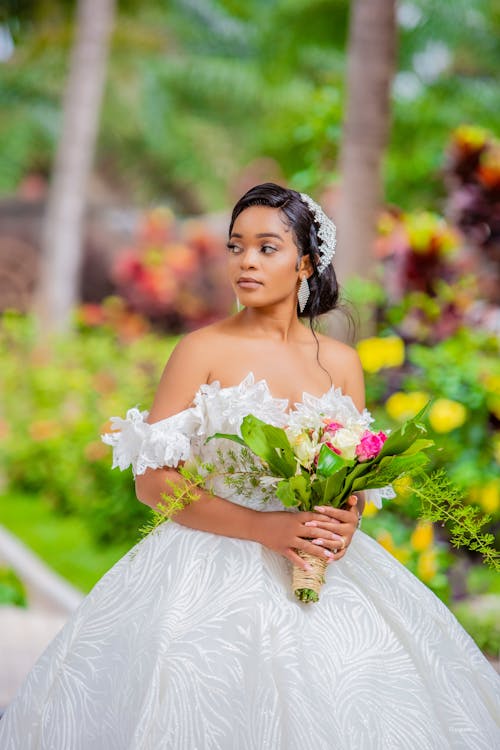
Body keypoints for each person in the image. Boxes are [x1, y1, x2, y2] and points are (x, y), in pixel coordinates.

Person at [1, 183, 499, 749]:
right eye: (236, 246)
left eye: (267, 247)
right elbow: (153, 482)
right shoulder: (201, 350)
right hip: (208, 568)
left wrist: (349, 517)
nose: (246, 261)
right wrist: (266, 527)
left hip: (321, 567)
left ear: (306, 263)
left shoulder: (340, 361)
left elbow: (355, 470)